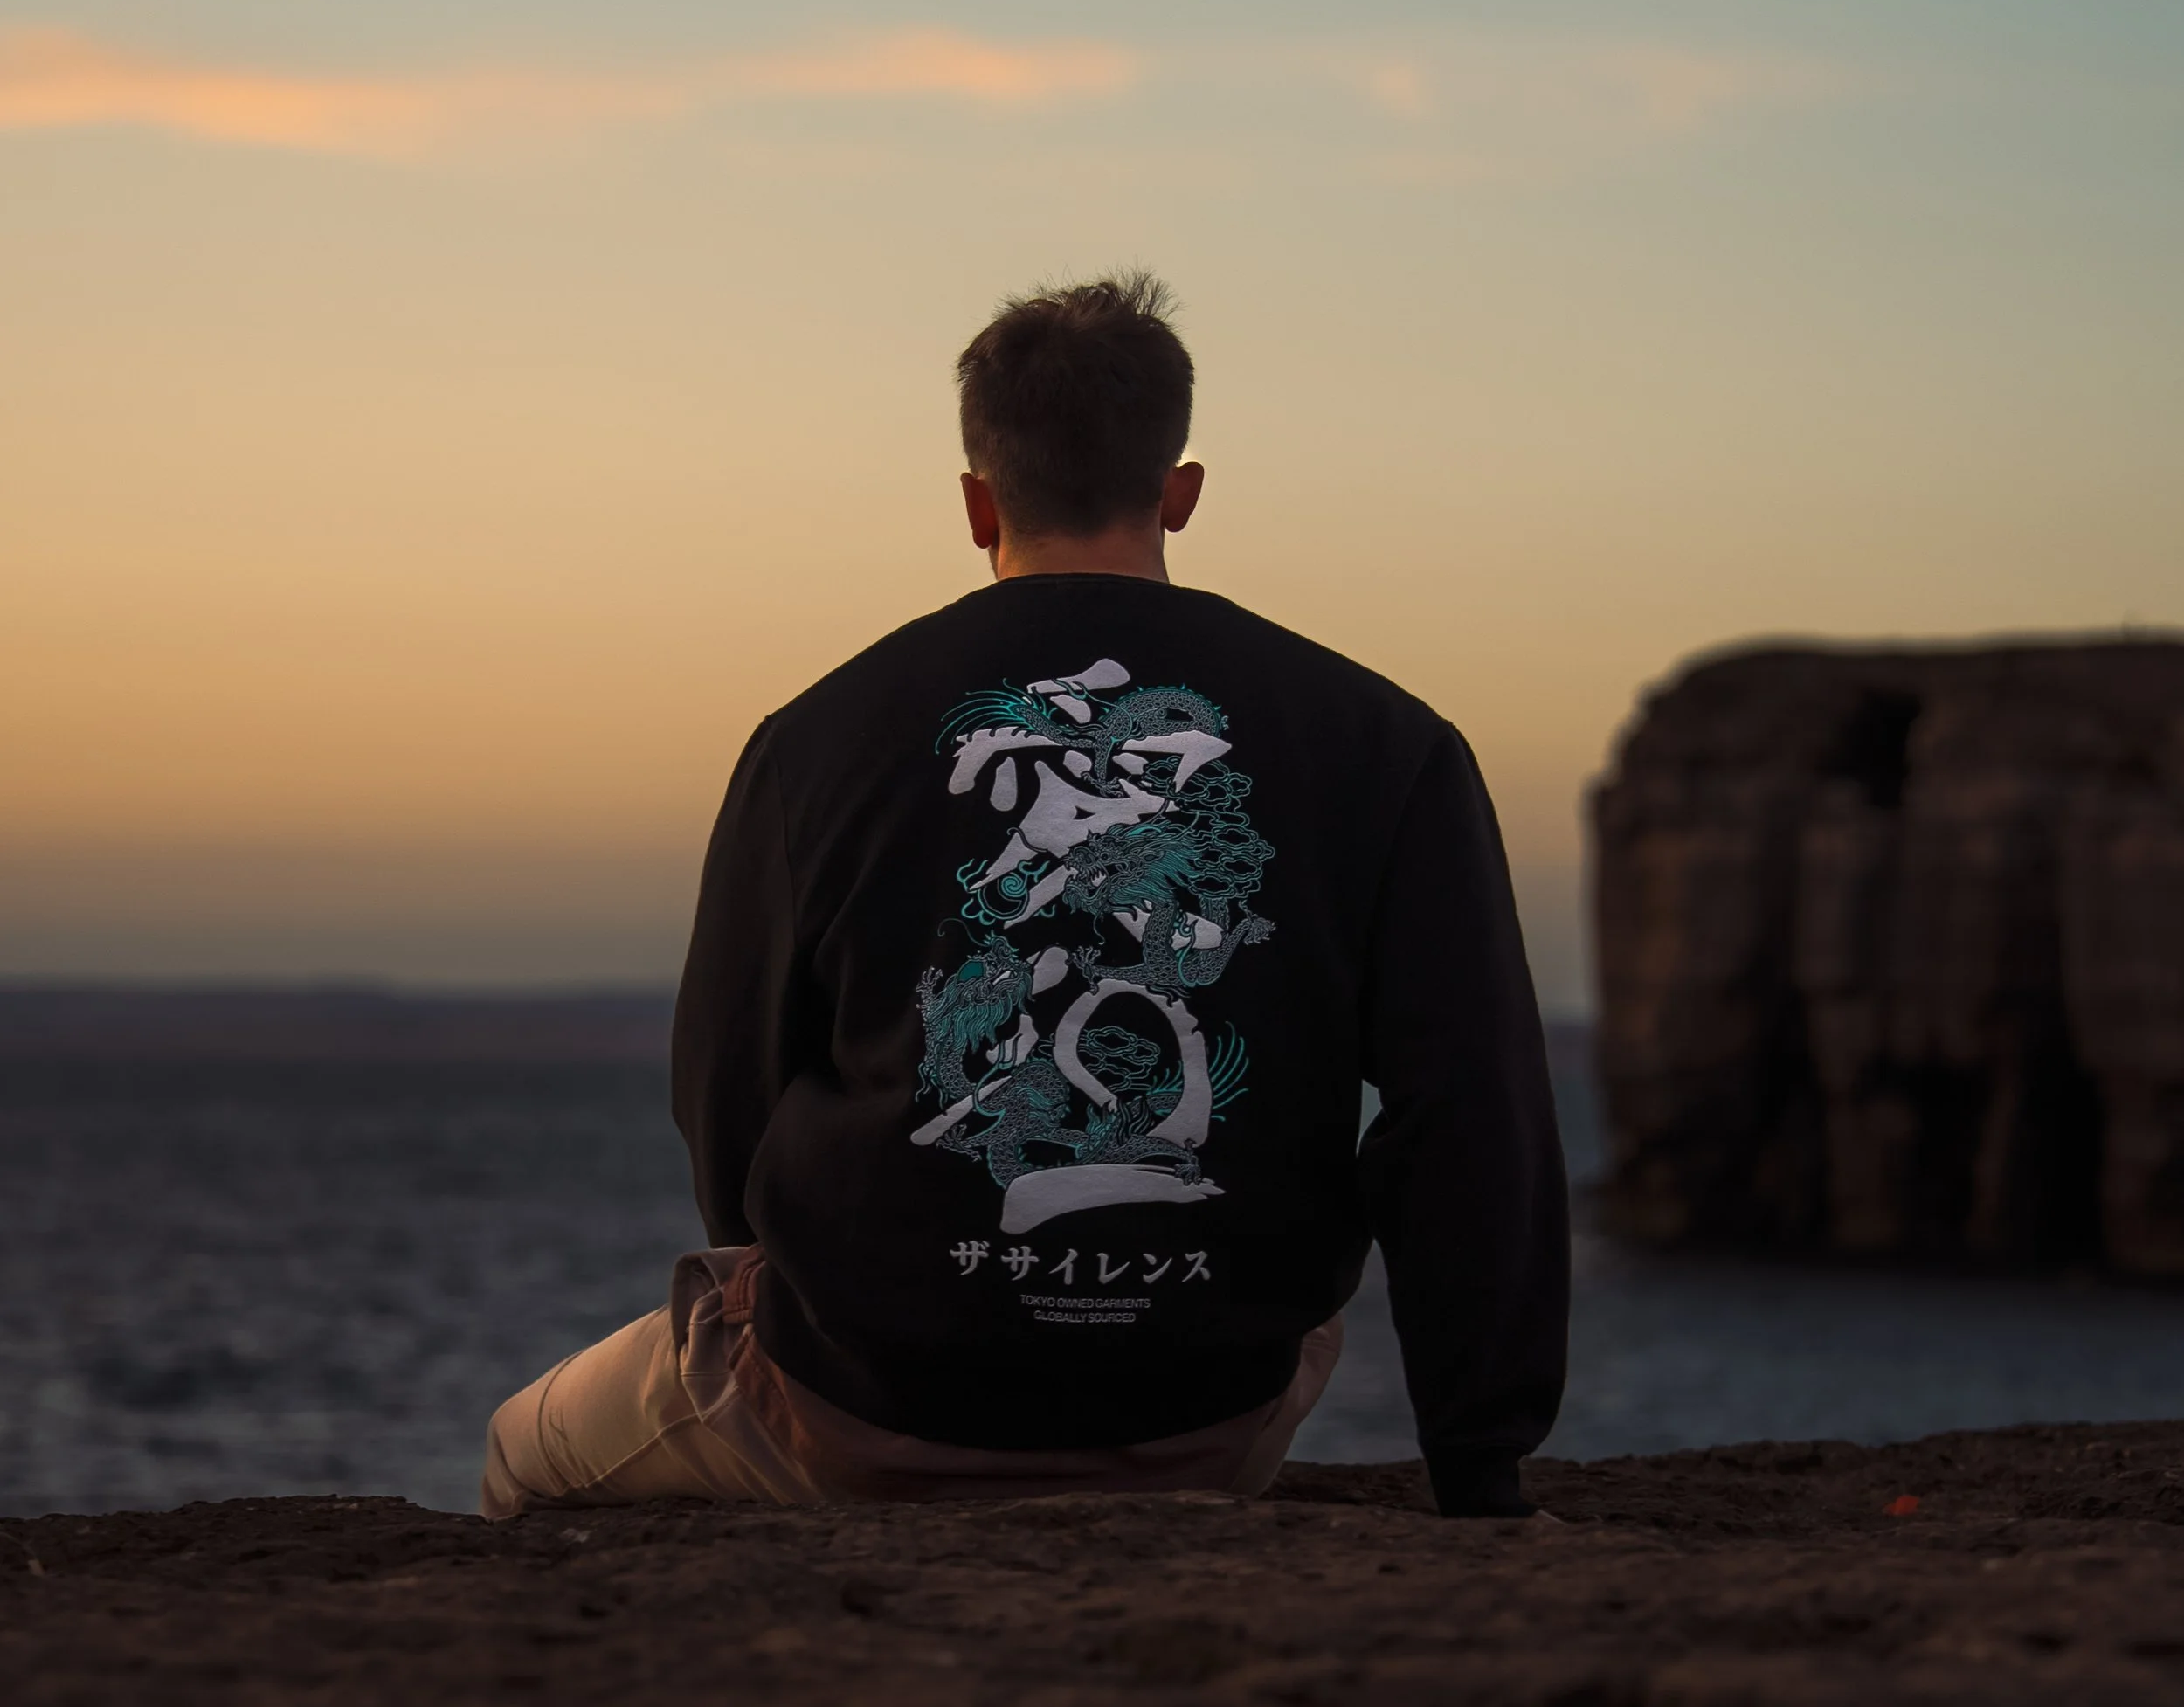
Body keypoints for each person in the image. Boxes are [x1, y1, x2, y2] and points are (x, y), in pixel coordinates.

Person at [481, 273, 1566, 1520]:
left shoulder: (816, 737)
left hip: (858, 1408)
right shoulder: (1390, 741)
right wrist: (1479, 1465)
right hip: (1205, 1415)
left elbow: (727, 1082)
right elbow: (1470, 1109)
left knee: (522, 1449)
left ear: (976, 500)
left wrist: (806, 1296)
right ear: (1181, 490)